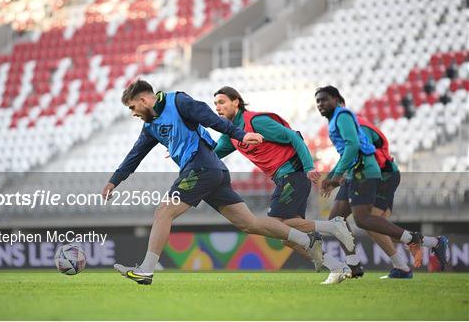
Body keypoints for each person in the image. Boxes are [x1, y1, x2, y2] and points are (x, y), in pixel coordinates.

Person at [103, 79, 323, 285]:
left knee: (164, 211)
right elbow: (135, 155)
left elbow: (212, 119)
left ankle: (147, 270)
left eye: (132, 107)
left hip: (201, 167)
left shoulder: (178, 101)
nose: (133, 113)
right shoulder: (150, 126)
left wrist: (242, 134)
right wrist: (114, 181)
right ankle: (305, 241)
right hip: (212, 171)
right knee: (249, 224)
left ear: (143, 100)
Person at [212, 86, 356, 284]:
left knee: (276, 224)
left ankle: (333, 226)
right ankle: (337, 267)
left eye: (221, 102)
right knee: (288, 238)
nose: (217, 107)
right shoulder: (231, 135)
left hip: (293, 174)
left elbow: (293, 136)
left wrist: (308, 166)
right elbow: (212, 153)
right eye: (215, 105)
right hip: (284, 178)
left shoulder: (256, 121)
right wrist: (185, 153)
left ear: (236, 101)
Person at [315, 85, 449, 279]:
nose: (321, 104)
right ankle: (355, 264)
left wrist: (338, 174)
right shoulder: (342, 122)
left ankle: (424, 247)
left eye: (326, 100)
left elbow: (359, 149)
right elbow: (350, 151)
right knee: (337, 219)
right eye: (318, 101)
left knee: (369, 222)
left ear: (339, 102)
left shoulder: (350, 121)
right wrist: (336, 175)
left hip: (382, 175)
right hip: (358, 172)